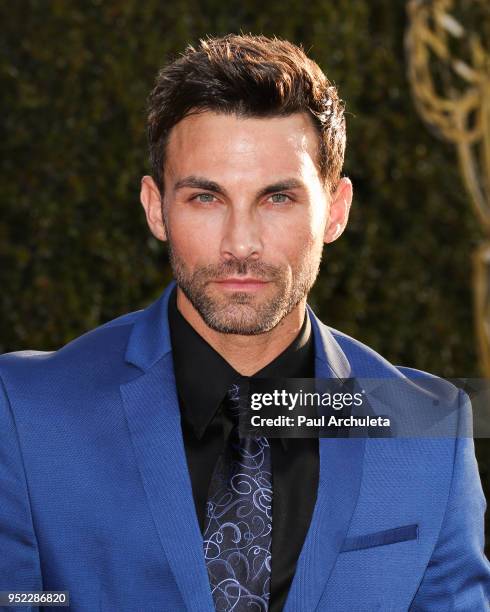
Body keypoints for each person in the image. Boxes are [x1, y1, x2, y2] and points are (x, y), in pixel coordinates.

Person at [0, 33, 489, 612]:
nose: (241, 244)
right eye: (206, 198)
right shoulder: (27, 412)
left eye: (277, 198)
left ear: (336, 210)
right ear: (156, 208)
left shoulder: (429, 428)